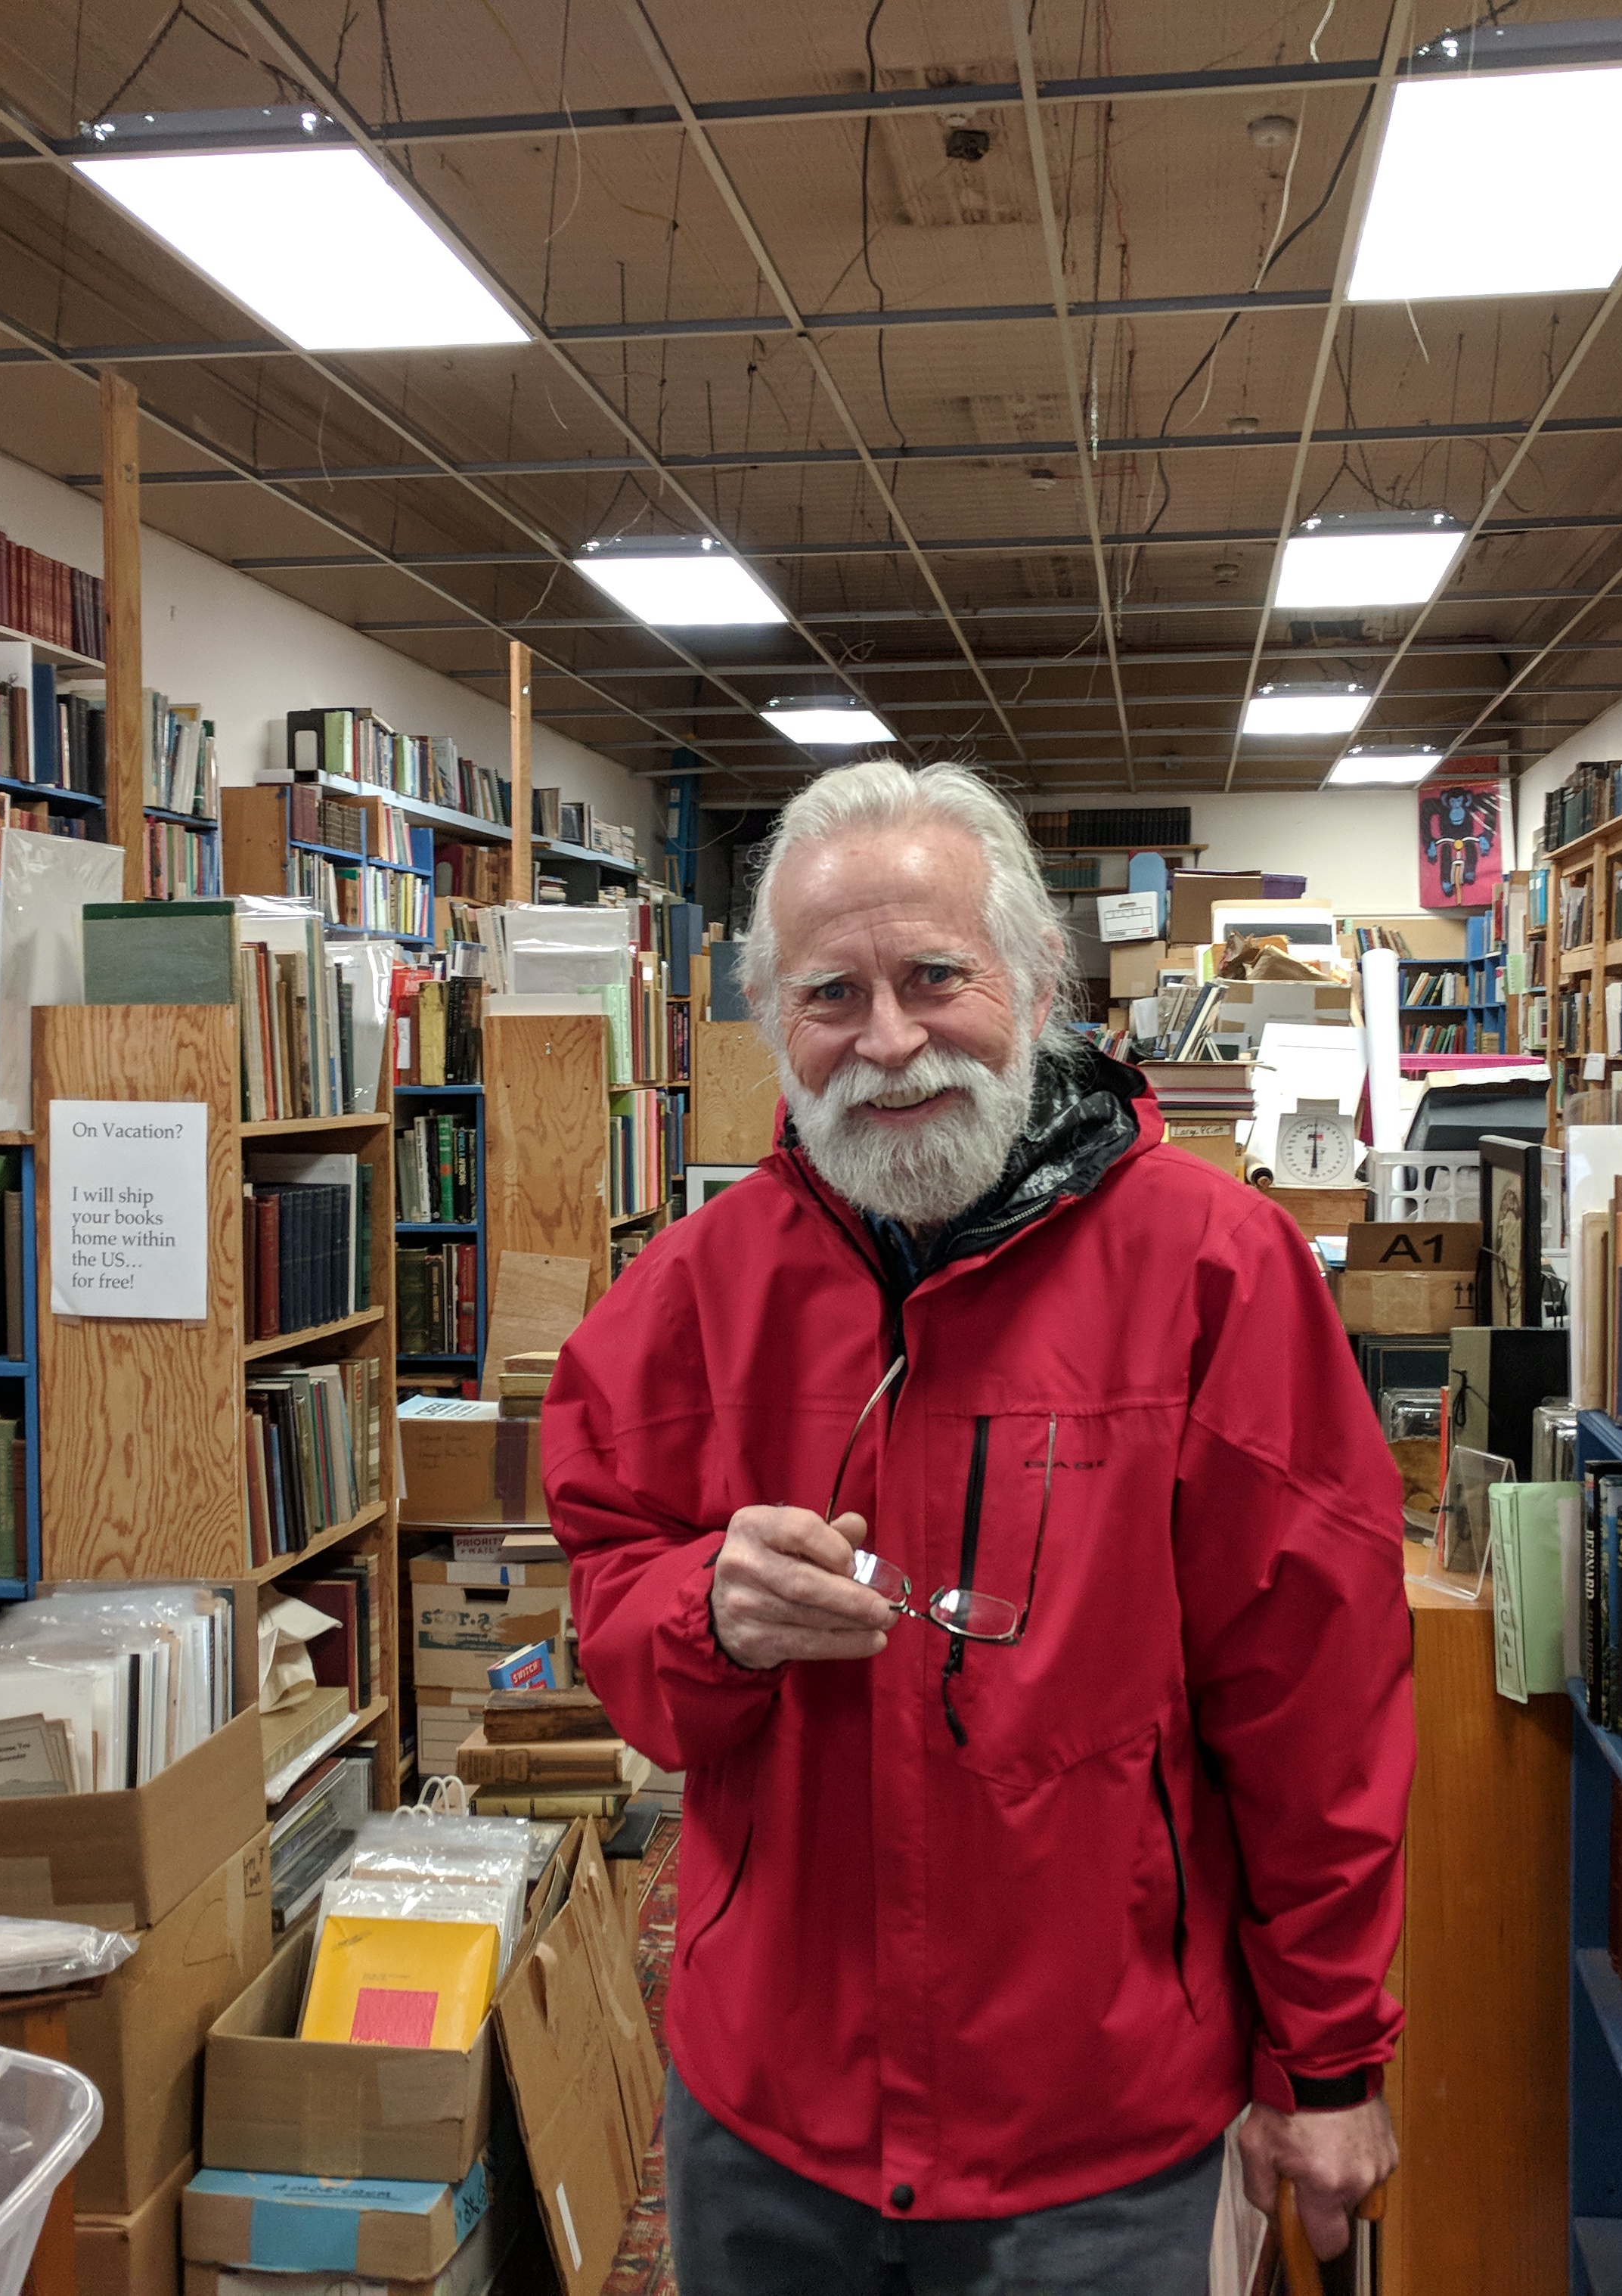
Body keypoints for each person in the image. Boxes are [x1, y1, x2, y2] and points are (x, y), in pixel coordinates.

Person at [543, 761, 1413, 2294]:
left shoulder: (1217, 1275)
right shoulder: (682, 1303)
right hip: (768, 2126)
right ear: (773, 1027)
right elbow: (622, 1635)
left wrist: (1325, 2060)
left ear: (1029, 982)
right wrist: (706, 1614)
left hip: (1102, 2138)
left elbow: (1315, 1708)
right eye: (830, 996)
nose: (885, 1043)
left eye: (932, 977)